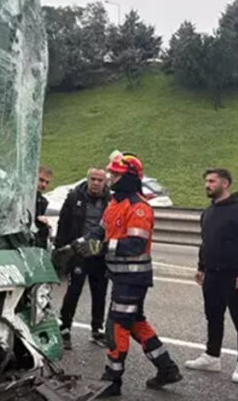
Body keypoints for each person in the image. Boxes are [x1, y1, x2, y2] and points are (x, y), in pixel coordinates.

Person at [74, 151, 182, 397]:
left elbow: (134, 245)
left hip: (133, 278)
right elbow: (99, 232)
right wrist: (76, 246)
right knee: (135, 323)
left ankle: (112, 381)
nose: (111, 178)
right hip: (121, 277)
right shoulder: (114, 203)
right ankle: (167, 368)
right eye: (111, 173)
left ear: (130, 178)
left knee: (116, 326)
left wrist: (100, 248)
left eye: (116, 174)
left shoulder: (139, 208)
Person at [184, 168, 238, 383]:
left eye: (212, 181)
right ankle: (212, 356)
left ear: (225, 183)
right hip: (212, 274)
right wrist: (201, 267)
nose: (207, 185)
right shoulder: (208, 212)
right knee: (213, 316)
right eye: (206, 181)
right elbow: (206, 242)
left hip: (234, 276)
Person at [55, 168, 110, 350]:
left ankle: (97, 329)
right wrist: (60, 248)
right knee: (74, 290)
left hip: (99, 254)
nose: (96, 183)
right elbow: (63, 222)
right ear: (88, 179)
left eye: (99, 180)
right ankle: (65, 327)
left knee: (100, 292)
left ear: (105, 182)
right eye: (93, 179)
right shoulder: (74, 197)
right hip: (79, 252)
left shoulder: (110, 200)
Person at [35, 166, 53, 248]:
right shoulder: (20, 197)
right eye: (41, 180)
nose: (43, 185)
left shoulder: (43, 202)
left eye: (47, 182)